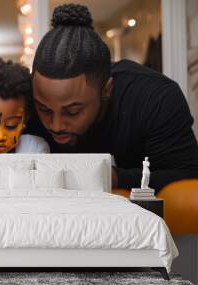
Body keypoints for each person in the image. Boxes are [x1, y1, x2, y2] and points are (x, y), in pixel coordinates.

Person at [26, 4, 198, 191]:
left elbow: (187, 177)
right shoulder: (21, 99)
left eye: (73, 111)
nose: (56, 125)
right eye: (43, 109)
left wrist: (113, 178)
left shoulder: (154, 97)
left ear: (107, 89)